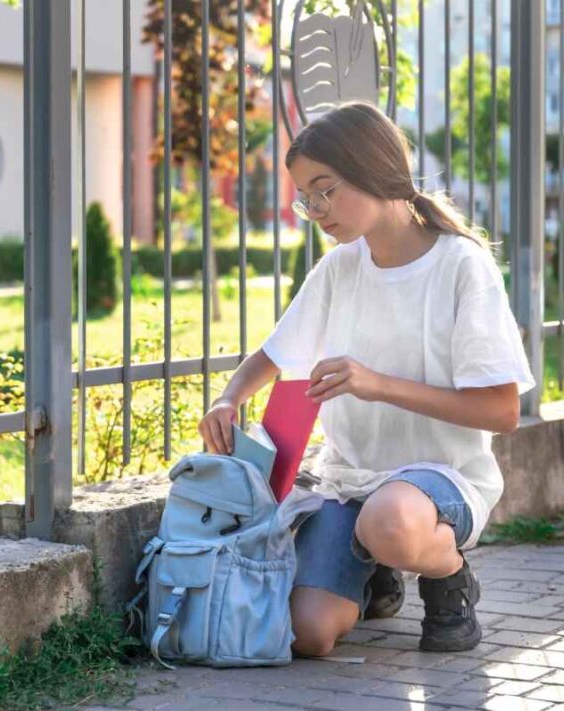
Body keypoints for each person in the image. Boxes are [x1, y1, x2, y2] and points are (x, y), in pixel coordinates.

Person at [197, 100, 535, 657]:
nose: (316, 208)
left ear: (372, 167)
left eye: (324, 189)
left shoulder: (460, 265)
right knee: (307, 634)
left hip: (443, 480)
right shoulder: (340, 266)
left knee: (392, 524)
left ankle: (446, 575)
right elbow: (275, 353)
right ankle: (376, 566)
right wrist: (229, 397)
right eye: (306, 197)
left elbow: (501, 412)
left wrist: (377, 383)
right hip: (351, 481)